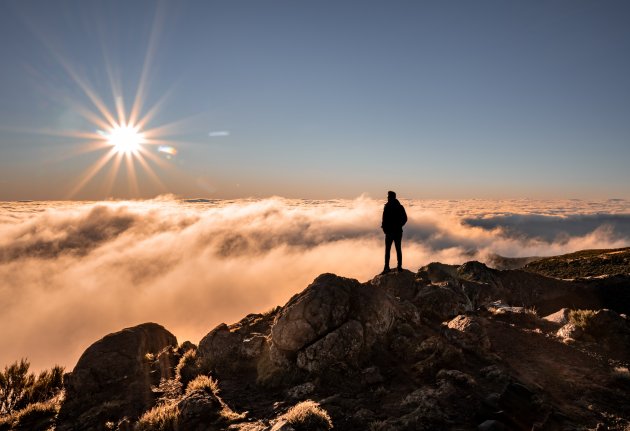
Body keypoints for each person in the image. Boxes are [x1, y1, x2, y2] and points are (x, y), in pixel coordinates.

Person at [381, 190, 407, 274]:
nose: (388, 198)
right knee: (395, 249)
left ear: (392, 197)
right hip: (394, 232)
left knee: (392, 250)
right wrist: (385, 228)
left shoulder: (396, 207)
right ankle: (393, 267)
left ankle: (393, 267)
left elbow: (405, 219)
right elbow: (384, 219)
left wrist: (397, 226)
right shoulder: (391, 206)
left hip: (394, 232)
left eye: (389, 197)